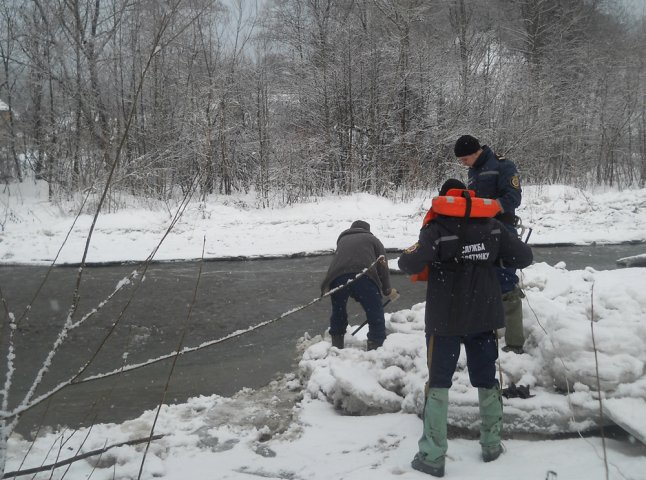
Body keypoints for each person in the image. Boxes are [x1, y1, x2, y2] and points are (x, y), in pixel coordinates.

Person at [398, 179, 533, 477]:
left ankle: (432, 457)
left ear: (445, 200)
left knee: (439, 383)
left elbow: (407, 263)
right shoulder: (493, 226)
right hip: (484, 317)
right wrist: (492, 256)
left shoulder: (436, 230)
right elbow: (524, 257)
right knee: (486, 380)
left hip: (445, 320)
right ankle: (492, 444)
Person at [454, 134, 526, 354]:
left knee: (506, 285)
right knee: (481, 283)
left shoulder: (503, 165)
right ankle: (485, 335)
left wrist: (487, 208)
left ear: (476, 152)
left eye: (464, 158)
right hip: (479, 233)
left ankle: (514, 344)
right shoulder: (473, 171)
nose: (462, 163)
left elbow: (513, 198)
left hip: (502, 231)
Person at [321, 220, 397, 351]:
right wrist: (387, 289)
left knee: (338, 311)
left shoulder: (342, 240)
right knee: (375, 311)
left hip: (337, 277)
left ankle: (337, 345)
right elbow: (383, 265)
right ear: (367, 230)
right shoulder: (373, 240)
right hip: (364, 277)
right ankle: (376, 346)